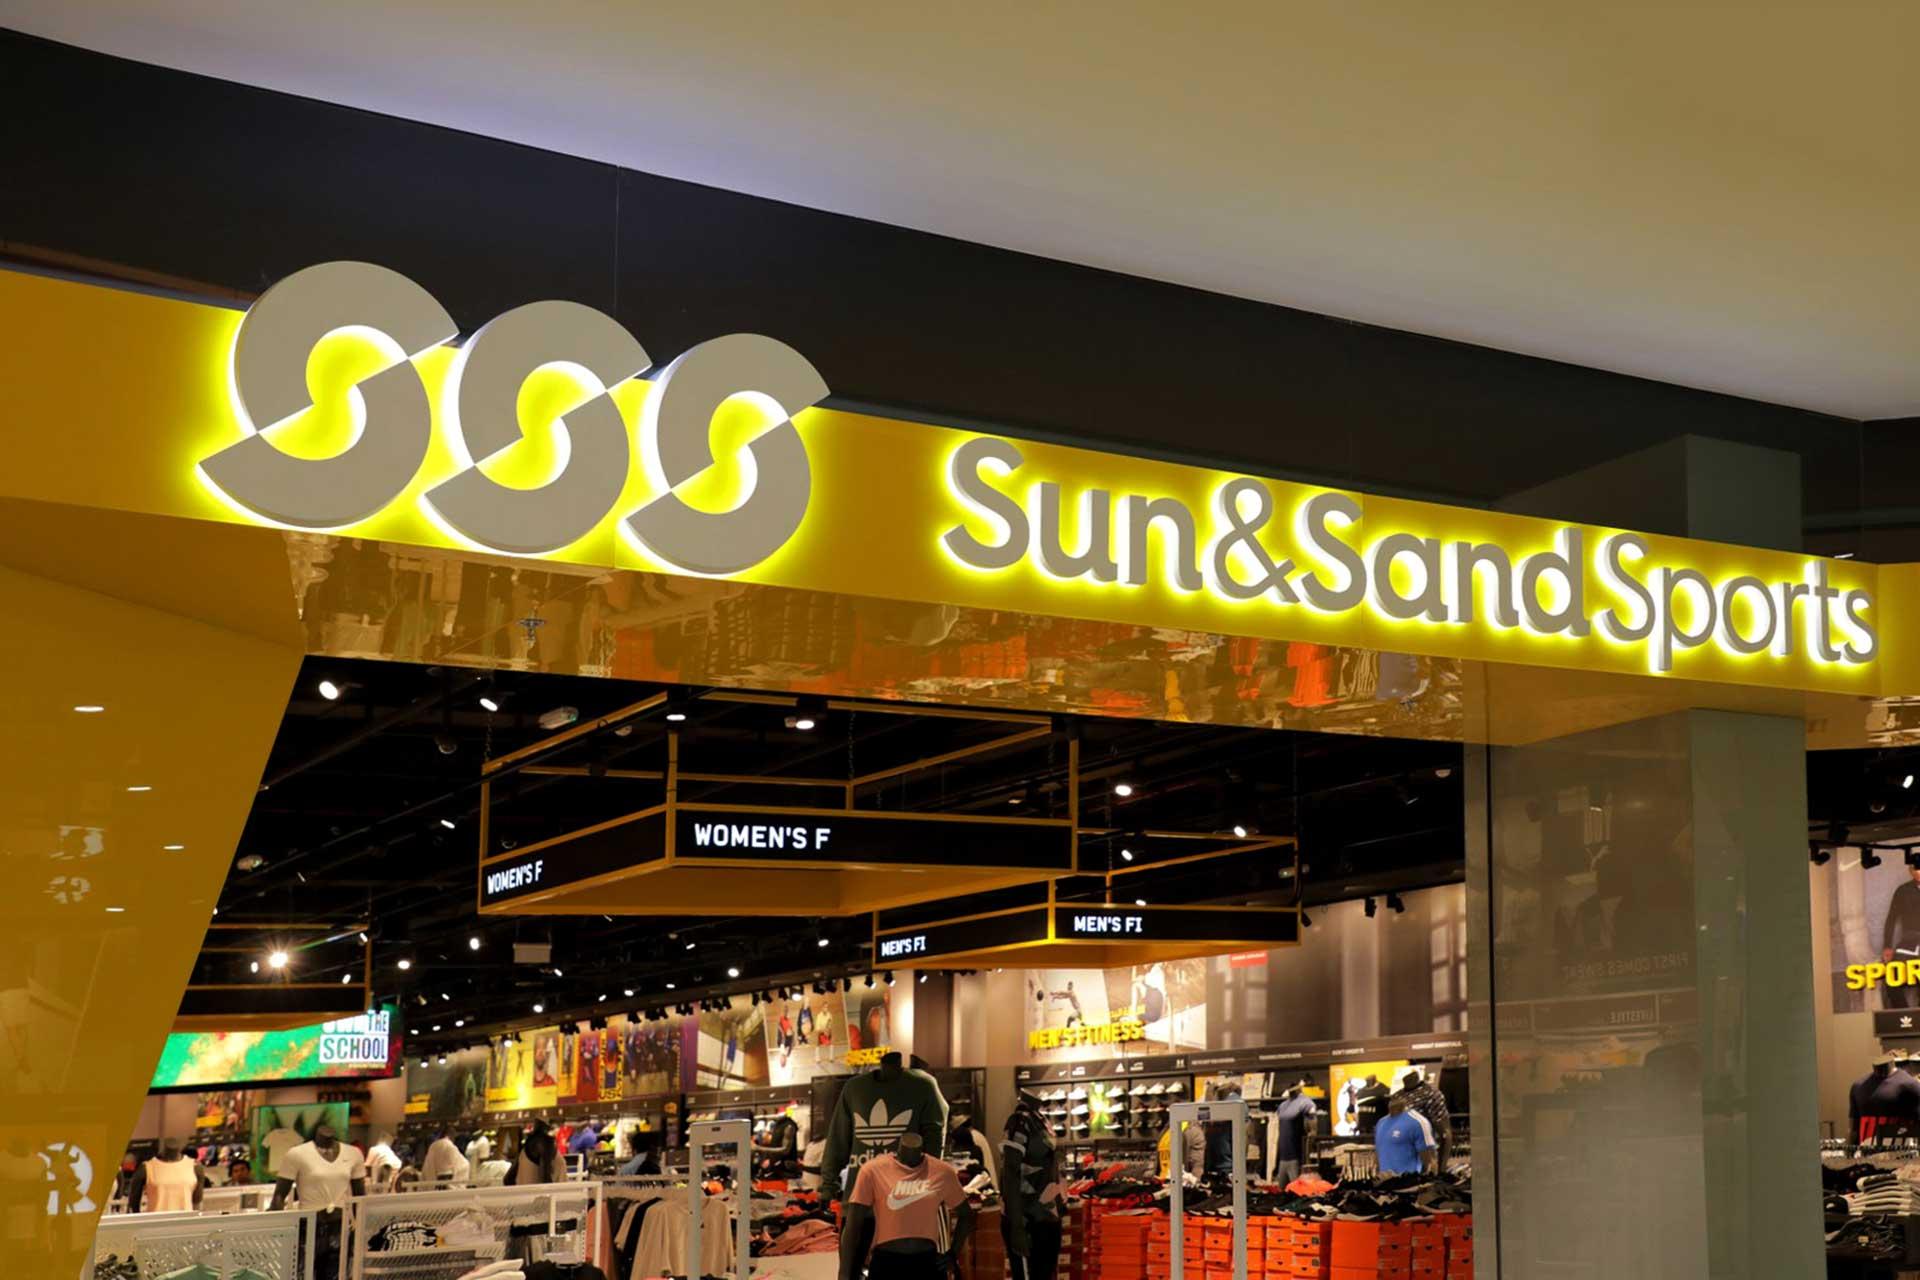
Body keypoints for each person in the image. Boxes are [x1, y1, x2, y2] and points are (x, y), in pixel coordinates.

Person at [1885, 863, 1920, 1009]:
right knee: (1891, 978)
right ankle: (1904, 1015)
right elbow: (1891, 919)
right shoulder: (1903, 891)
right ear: (1910, 870)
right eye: (1916, 868)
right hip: (1909, 942)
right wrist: (1887, 946)